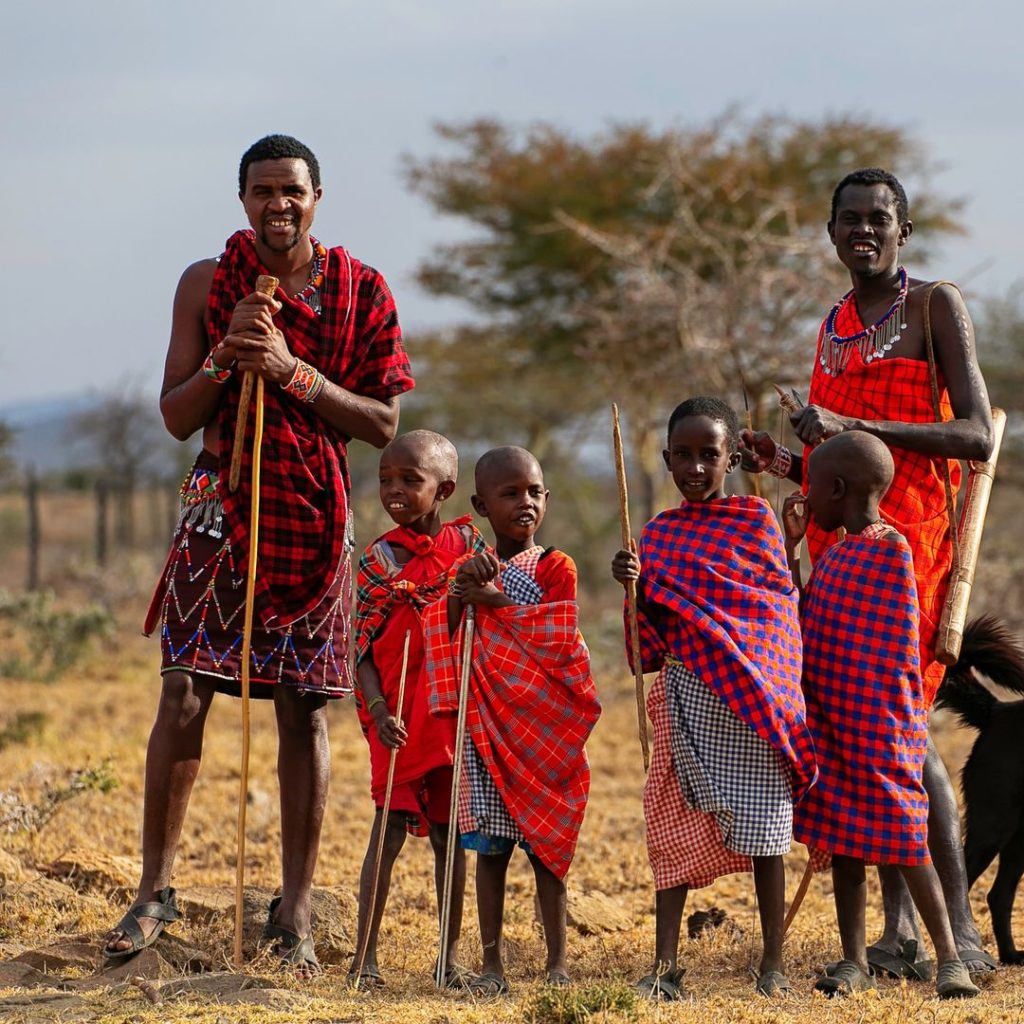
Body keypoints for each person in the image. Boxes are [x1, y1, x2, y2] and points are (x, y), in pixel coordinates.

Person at [103, 135, 413, 973]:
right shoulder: (208, 284)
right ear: (241, 199)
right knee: (183, 691)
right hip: (220, 506)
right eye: (262, 191)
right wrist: (226, 357)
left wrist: (289, 371)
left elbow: (383, 423)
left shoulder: (362, 291)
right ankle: (154, 892)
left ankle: (297, 909)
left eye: (293, 191)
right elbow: (175, 414)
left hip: (313, 515)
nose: (278, 205)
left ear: (319, 198)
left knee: (305, 706)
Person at [742, 168, 996, 978]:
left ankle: (957, 930)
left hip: (910, 552)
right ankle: (902, 935)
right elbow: (834, 470)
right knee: (867, 738)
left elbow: (978, 434)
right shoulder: (833, 326)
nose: (863, 231)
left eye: (879, 219)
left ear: (904, 230)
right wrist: (784, 458)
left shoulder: (935, 307)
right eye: (849, 219)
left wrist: (856, 420)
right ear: (831, 233)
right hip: (841, 557)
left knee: (904, 736)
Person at [611, 397, 816, 1000]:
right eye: (683, 456)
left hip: (754, 700)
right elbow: (648, 640)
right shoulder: (655, 534)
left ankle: (774, 961)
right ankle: (665, 963)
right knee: (668, 823)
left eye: (709, 456)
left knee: (767, 830)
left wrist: (759, 677)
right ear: (666, 458)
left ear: (731, 458)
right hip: (685, 697)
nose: (695, 468)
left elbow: (777, 610)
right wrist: (634, 587)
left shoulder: (755, 520)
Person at [782, 430, 978, 999]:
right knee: (843, 842)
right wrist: (794, 549)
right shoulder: (838, 552)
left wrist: (873, 712)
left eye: (811, 484)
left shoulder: (890, 548)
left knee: (904, 837)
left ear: (836, 488)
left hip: (881, 725)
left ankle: (949, 960)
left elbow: (885, 647)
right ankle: (853, 959)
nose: (806, 494)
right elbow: (806, 622)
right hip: (835, 724)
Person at [422, 446, 601, 995]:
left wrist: (493, 598)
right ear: (480, 504)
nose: (525, 502)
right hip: (488, 731)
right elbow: (446, 632)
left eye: (534, 492)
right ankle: (492, 965)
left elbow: (557, 634)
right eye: (510, 493)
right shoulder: (470, 569)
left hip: (545, 728)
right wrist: (462, 590)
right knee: (492, 852)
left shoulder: (555, 566)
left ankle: (556, 965)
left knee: (547, 852)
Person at [349, 430, 485, 990]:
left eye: (411, 480)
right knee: (387, 828)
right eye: (386, 480)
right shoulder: (377, 560)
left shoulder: (472, 550)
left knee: (449, 831)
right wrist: (379, 711)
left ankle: (449, 958)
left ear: (445, 488)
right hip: (397, 717)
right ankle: (364, 959)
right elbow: (358, 650)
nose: (395, 491)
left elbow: (492, 621)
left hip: (451, 712)